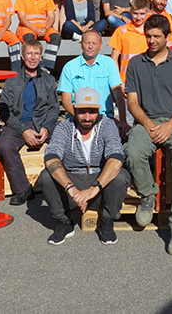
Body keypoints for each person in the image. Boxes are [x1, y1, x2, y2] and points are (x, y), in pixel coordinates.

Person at [123, 15, 172, 255]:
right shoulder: (136, 63)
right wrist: (147, 123)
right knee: (132, 152)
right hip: (147, 121)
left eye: (157, 36)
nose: (152, 41)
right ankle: (148, 194)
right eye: (148, 36)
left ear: (168, 37)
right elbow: (132, 102)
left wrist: (171, 125)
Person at [39, 87, 132, 245]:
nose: (87, 117)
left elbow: (117, 157)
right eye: (82, 111)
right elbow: (51, 157)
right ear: (74, 109)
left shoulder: (108, 125)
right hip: (73, 182)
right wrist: (71, 189)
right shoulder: (63, 127)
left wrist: (93, 189)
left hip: (99, 184)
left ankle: (107, 221)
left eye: (92, 111)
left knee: (121, 175)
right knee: (46, 176)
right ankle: (64, 222)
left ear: (99, 110)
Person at [0, 39, 60, 206]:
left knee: (66, 139)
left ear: (41, 56)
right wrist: (23, 130)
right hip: (18, 123)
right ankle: (23, 188)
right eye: (29, 54)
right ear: (23, 56)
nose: (33, 57)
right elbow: (4, 111)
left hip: (43, 122)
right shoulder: (12, 79)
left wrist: (46, 128)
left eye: (36, 54)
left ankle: (61, 183)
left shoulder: (48, 79)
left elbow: (54, 108)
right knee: (4, 144)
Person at [58, 30, 127, 132]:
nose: (90, 46)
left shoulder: (109, 64)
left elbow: (118, 94)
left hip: (104, 119)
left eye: (94, 43)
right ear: (81, 44)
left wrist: (123, 121)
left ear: (100, 45)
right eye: (87, 43)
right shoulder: (70, 67)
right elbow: (66, 100)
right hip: (77, 118)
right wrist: (82, 118)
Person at [15, 0, 61, 70]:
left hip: (44, 27)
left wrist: (45, 28)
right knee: (30, 39)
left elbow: (52, 17)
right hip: (27, 28)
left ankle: (46, 66)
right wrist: (35, 30)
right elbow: (22, 18)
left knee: (56, 37)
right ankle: (35, 65)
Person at [109, 0, 151, 87]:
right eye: (135, 13)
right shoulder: (121, 31)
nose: (138, 17)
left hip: (149, 81)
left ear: (148, 13)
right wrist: (118, 82)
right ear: (131, 12)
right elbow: (114, 59)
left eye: (142, 14)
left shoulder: (152, 32)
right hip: (127, 81)